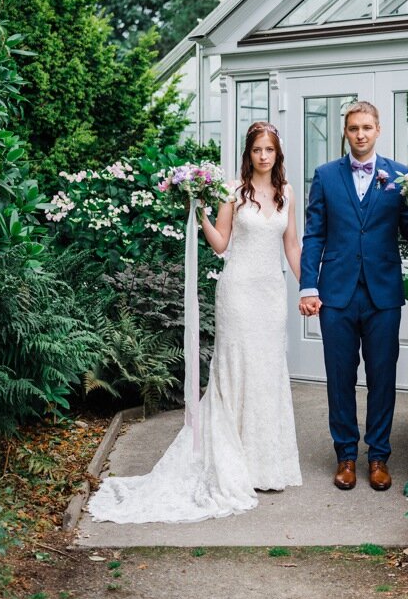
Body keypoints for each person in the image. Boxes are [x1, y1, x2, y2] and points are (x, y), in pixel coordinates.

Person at [87, 121, 303, 523]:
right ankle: (230, 461)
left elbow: (292, 244)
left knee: (267, 370)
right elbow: (221, 245)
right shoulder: (233, 193)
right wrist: (198, 212)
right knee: (235, 369)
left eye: (269, 150)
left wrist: (309, 286)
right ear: (248, 153)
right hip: (237, 291)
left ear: (278, 154)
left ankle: (264, 464)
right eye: (257, 149)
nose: (263, 156)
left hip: (271, 294)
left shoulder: (287, 193)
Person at [298, 101, 408, 492]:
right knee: (340, 378)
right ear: (345, 131)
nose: (360, 134)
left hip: (383, 293)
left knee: (382, 377)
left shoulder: (401, 175)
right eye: (353, 128)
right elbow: (314, 235)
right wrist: (309, 285)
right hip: (336, 294)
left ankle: (378, 458)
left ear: (378, 129)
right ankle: (345, 457)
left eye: (367, 128)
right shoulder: (325, 176)